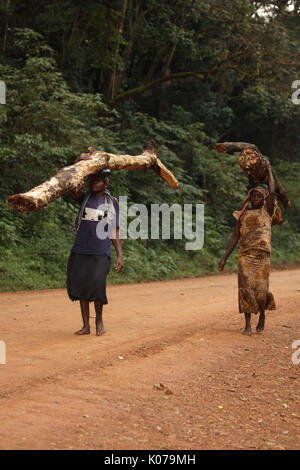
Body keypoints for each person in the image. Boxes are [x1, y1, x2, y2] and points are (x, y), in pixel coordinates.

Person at [218, 159, 276, 335]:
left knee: (260, 290)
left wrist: (269, 171)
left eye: (259, 196)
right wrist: (224, 257)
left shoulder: (268, 211)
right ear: (249, 198)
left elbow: (272, 191)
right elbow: (235, 236)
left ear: (263, 199)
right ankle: (248, 323)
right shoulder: (242, 215)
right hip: (245, 256)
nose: (256, 199)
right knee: (245, 289)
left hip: (262, 256)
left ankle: (263, 315)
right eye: (253, 196)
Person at [67, 167, 123, 336]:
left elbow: (114, 230)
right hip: (81, 249)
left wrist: (119, 254)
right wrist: (80, 167)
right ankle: (86, 326)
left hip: (101, 251)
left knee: (98, 286)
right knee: (82, 287)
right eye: (92, 180)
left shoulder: (111, 202)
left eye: (97, 180)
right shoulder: (84, 198)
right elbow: (73, 189)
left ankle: (99, 321)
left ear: (105, 184)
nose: (94, 183)